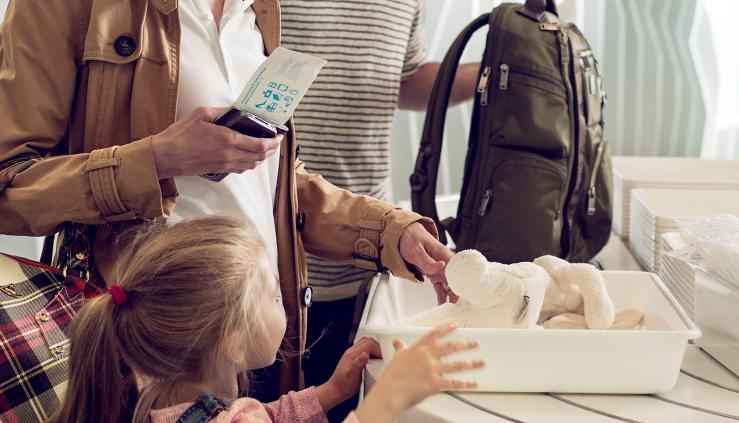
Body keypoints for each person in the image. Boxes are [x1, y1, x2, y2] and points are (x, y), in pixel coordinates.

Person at [0, 0, 453, 397]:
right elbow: (8, 184)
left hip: (255, 339)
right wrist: (157, 160)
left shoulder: (257, 8)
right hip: (149, 362)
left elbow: (270, 182)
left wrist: (392, 231)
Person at [47, 217, 483, 423]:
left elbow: (264, 418)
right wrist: (390, 397)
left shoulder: (156, 394)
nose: (286, 303)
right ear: (233, 344)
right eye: (274, 295)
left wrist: (330, 393)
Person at [279, 1, 478, 418]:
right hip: (276, 259)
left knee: (341, 401)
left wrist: (489, 73)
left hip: (371, 252)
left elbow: (404, 80)